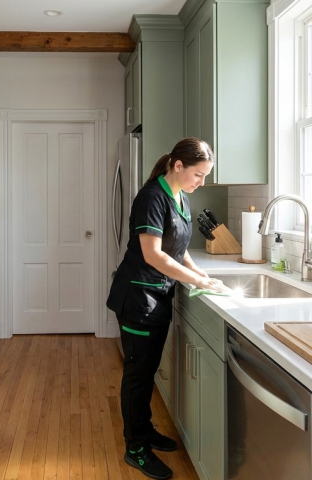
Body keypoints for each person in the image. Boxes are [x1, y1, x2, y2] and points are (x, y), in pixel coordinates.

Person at [107, 137, 225, 479]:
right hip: (138, 299)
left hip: (158, 297)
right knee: (138, 376)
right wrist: (197, 281)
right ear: (178, 166)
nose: (201, 182)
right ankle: (135, 449)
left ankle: (144, 432)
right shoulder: (151, 198)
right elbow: (153, 255)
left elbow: (178, 245)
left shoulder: (180, 197)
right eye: (198, 175)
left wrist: (198, 272)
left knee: (148, 372)